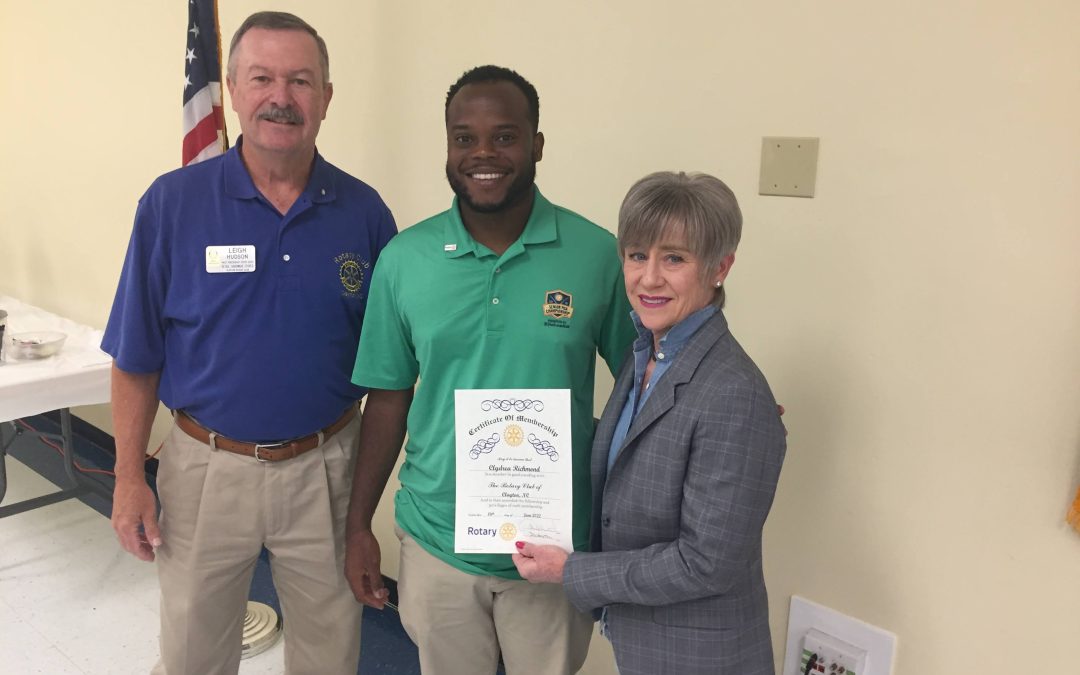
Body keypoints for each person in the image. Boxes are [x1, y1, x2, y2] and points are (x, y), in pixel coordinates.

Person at [102, 11, 396, 674]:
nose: (280, 97)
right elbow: (136, 353)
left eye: (300, 80)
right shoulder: (171, 205)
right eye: (262, 77)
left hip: (326, 468)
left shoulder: (366, 213)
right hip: (206, 469)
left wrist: (365, 512)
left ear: (325, 96)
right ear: (231, 88)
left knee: (329, 651)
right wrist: (126, 479)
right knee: (191, 653)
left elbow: (389, 376)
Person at [343, 65, 637, 675]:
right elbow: (389, 399)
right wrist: (358, 526)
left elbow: (647, 377)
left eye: (504, 136)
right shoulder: (405, 260)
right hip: (438, 540)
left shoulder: (596, 255)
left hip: (555, 547)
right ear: (448, 145)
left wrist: (714, 401)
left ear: (536, 145)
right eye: (463, 137)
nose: (482, 153)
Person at [512, 171, 787, 675]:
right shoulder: (649, 353)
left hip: (700, 657)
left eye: (675, 258)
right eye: (638, 255)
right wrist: (528, 439)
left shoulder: (733, 393)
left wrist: (571, 570)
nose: (649, 277)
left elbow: (705, 563)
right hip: (646, 641)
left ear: (720, 267)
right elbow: (640, 449)